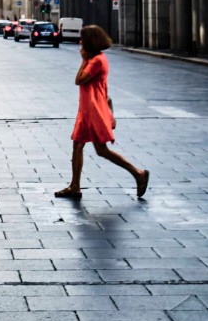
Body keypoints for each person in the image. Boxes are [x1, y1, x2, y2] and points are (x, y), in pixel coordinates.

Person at [55, 24, 149, 201]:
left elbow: (79, 80)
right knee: (79, 145)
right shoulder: (97, 58)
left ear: (90, 41)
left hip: (93, 111)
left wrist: (83, 60)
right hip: (88, 109)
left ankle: (138, 173)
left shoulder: (96, 60)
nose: (80, 41)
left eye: (83, 38)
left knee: (101, 150)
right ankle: (75, 186)